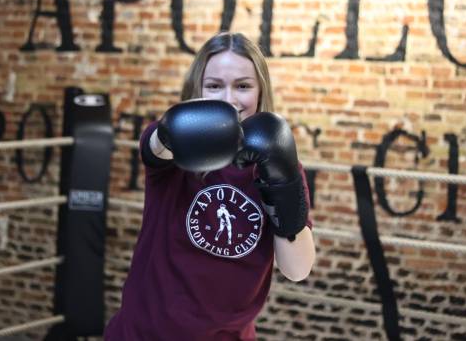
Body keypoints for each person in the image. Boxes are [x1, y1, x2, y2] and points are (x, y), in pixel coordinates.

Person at [104, 32, 315, 340]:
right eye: (214, 86)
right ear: (197, 90)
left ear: (259, 92)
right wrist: (170, 131)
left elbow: (297, 270)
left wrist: (282, 179)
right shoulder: (176, 150)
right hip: (147, 332)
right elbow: (153, 147)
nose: (229, 100)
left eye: (242, 86)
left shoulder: (277, 162)